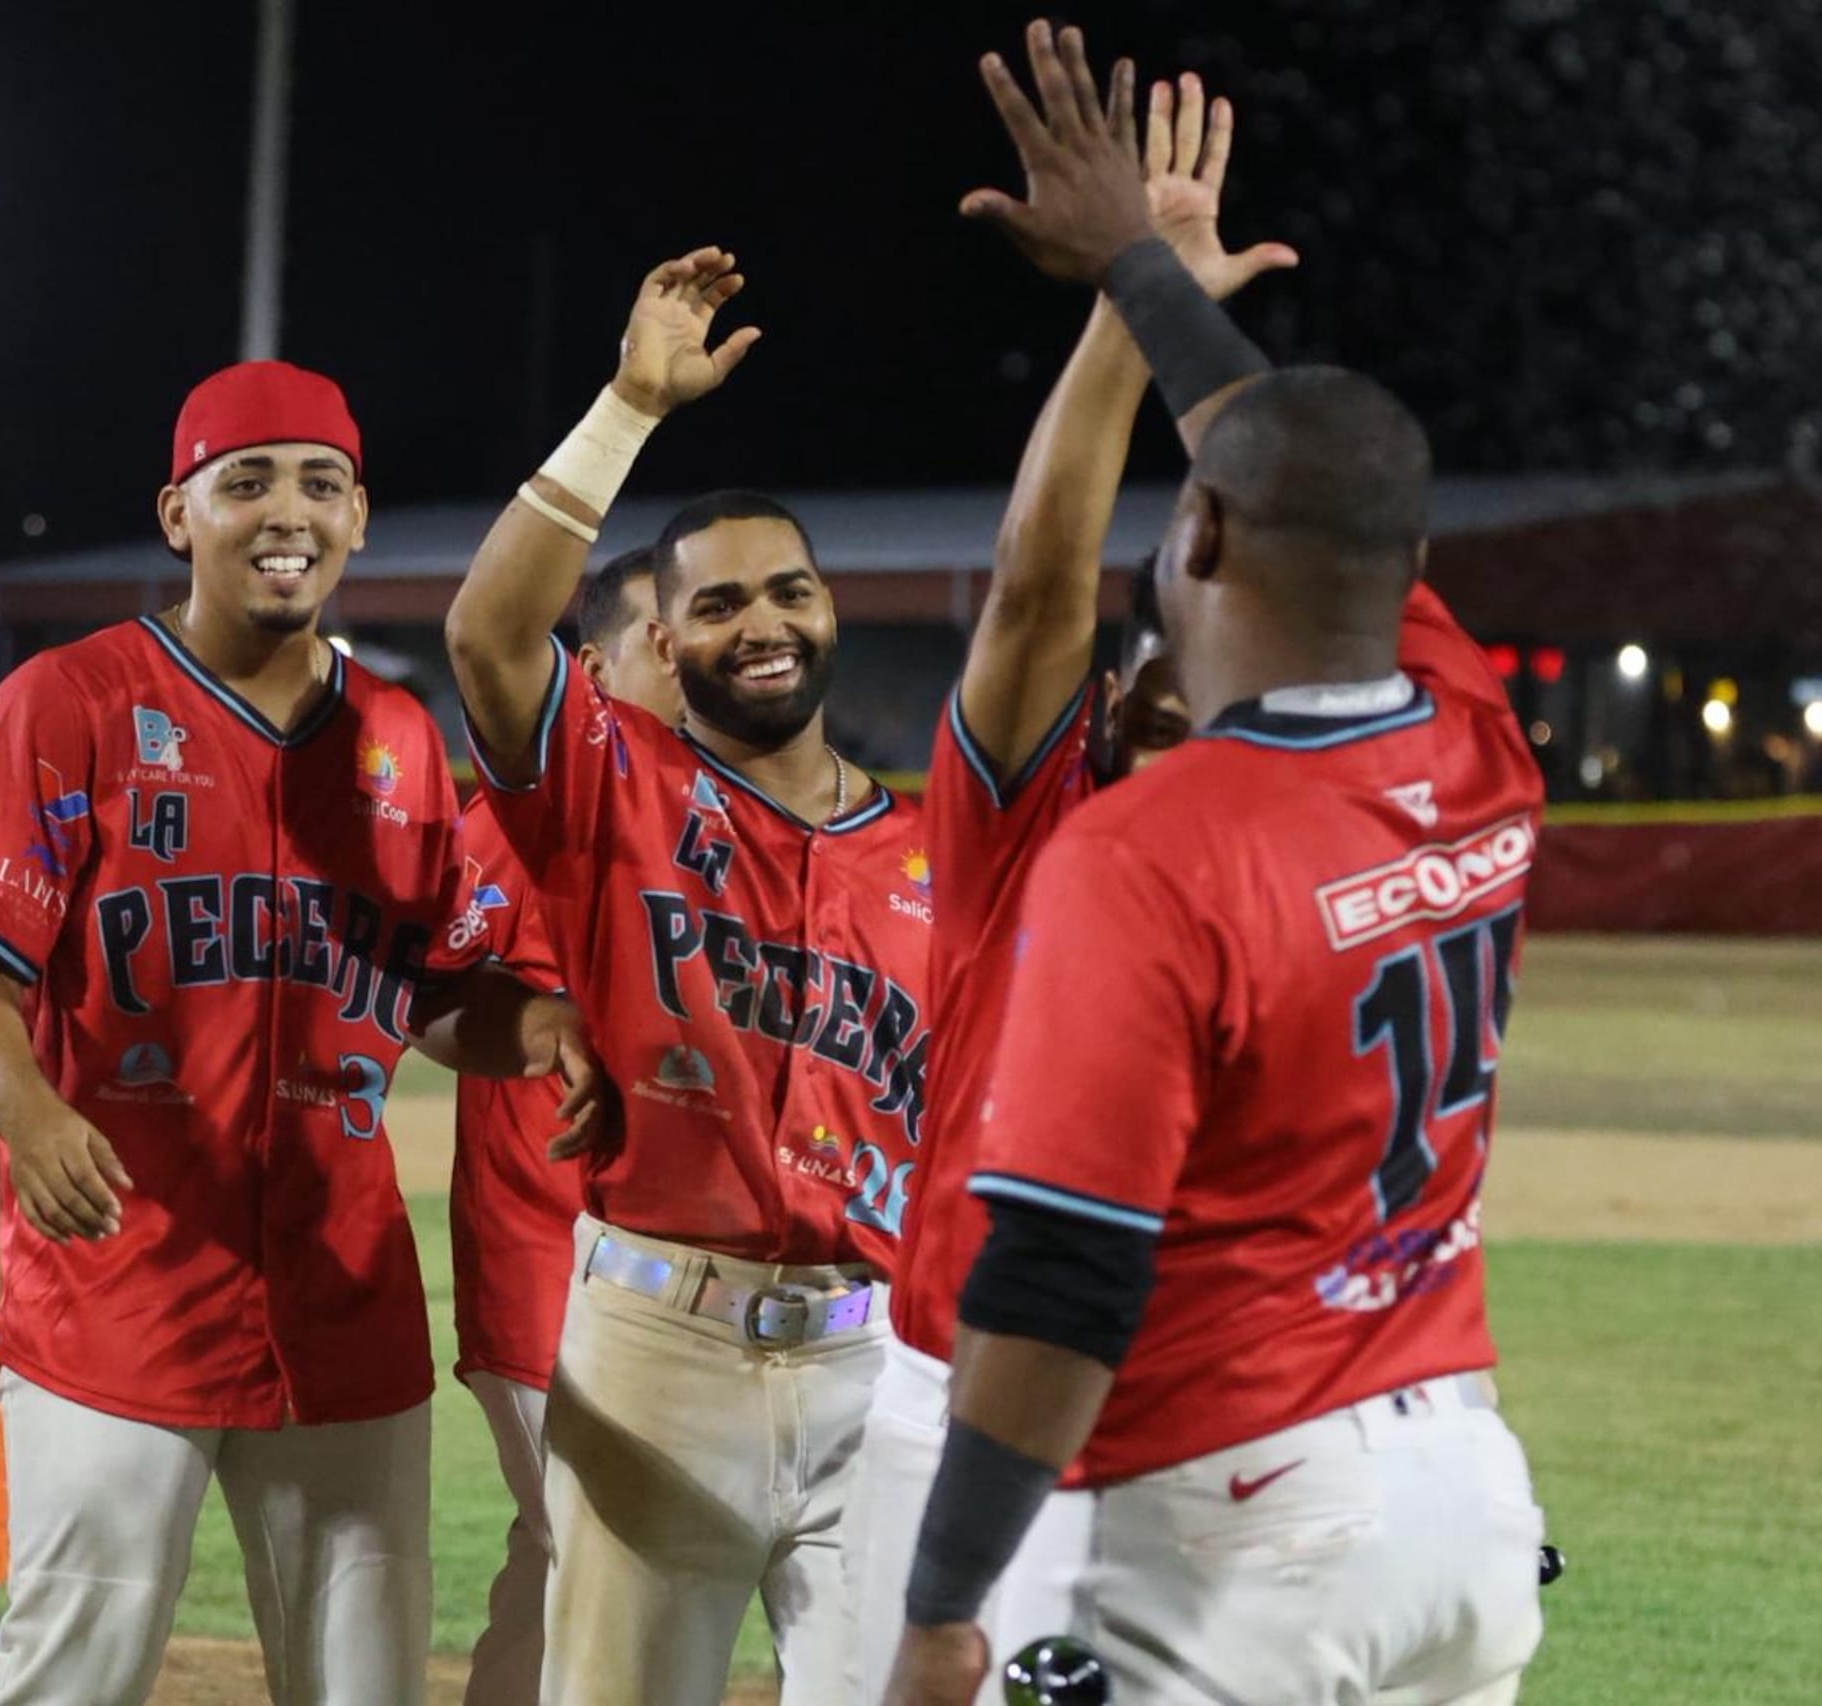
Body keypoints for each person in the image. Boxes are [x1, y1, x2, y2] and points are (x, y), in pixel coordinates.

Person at [888, 23, 1547, 1703]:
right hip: (1454, 1488)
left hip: (1223, 1501)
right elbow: (1292, 464)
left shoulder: (1146, 855)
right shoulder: (1472, 744)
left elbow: (1061, 1277)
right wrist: (1141, 276)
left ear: (1194, 540)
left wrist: (947, 1599)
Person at [0, 359, 598, 1706]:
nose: (286, 511)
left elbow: (435, 996)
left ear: (358, 518)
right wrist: (32, 1111)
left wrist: (546, 1031)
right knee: (76, 1674)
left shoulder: (402, 738)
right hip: (119, 1292)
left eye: (321, 483)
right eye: (247, 482)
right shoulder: (71, 702)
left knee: (365, 1686)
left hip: (344, 1303)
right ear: (180, 513)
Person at [845, 57, 1298, 1704]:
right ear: (1111, 714)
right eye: (1153, 679)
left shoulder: (1293, 870)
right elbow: (1041, 589)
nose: (1182, 696)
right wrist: (1137, 288)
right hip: (956, 1390)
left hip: (1204, 1409)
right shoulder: (1024, 832)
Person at [444, 251, 933, 1706]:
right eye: (718, 606)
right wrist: (631, 403)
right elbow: (488, 631)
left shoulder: (927, 851)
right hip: (662, 1344)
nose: (761, 623)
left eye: (789, 591)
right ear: (662, 642)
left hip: (874, 1351)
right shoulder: (613, 790)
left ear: (832, 610)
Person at [452, 545, 681, 1706]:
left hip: (658, 1279)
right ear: (589, 666)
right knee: (597, 1555)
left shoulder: (710, 811)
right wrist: (545, 1022)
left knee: (556, 1562)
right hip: (545, 1263)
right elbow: (438, 1003)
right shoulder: (523, 817)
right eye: (667, 633)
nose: (698, 655)